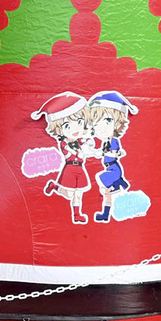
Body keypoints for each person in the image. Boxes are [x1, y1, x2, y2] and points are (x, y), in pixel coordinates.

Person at [31, 91, 92, 224]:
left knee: (79, 193)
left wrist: (88, 146)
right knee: (70, 194)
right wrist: (81, 150)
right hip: (70, 168)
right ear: (59, 129)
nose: (75, 128)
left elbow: (87, 149)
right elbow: (71, 152)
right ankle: (55, 186)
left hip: (80, 169)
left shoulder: (82, 140)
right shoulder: (64, 143)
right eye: (67, 126)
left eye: (79, 122)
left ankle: (77, 214)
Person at [87, 90, 138, 223]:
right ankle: (106, 212)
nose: (100, 128)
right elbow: (106, 152)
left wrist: (107, 153)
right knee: (108, 193)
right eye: (96, 123)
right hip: (111, 168)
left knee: (104, 185)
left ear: (116, 123)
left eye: (107, 121)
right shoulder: (107, 141)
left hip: (114, 169)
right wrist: (94, 152)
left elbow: (114, 153)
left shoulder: (114, 141)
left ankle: (117, 189)